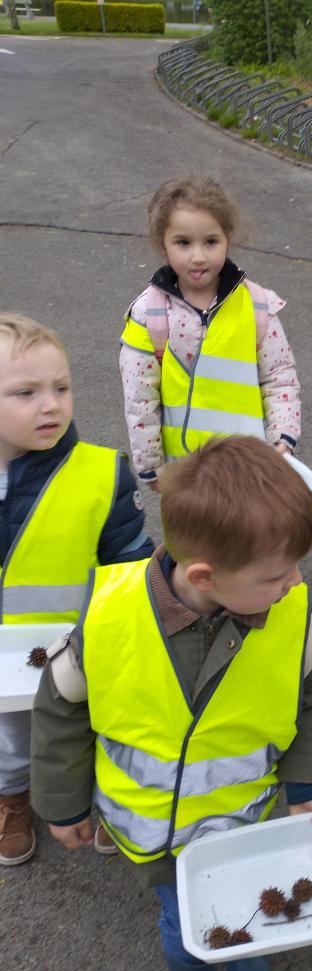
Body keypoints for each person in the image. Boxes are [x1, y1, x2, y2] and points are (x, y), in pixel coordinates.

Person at [30, 436, 312, 971]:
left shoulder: (291, 616)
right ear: (203, 576)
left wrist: (307, 783)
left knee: (241, 891)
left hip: (240, 819)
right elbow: (61, 706)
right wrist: (61, 803)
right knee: (186, 924)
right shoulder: (109, 615)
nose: (296, 583)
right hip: (155, 837)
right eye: (276, 574)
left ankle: (241, 945)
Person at [0, 313, 152, 867]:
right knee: (10, 739)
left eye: (61, 388)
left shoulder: (101, 473)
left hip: (82, 647)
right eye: (26, 393)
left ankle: (107, 797)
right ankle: (12, 797)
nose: (51, 405)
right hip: (4, 664)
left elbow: (131, 562)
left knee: (97, 726)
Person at [119, 175, 301, 487]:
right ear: (162, 243)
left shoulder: (257, 305)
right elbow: (140, 398)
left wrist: (282, 438)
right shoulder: (148, 314)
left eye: (211, 242)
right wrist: (150, 466)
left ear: (228, 238)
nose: (199, 256)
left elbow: (279, 376)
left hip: (251, 473)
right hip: (185, 478)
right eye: (183, 243)